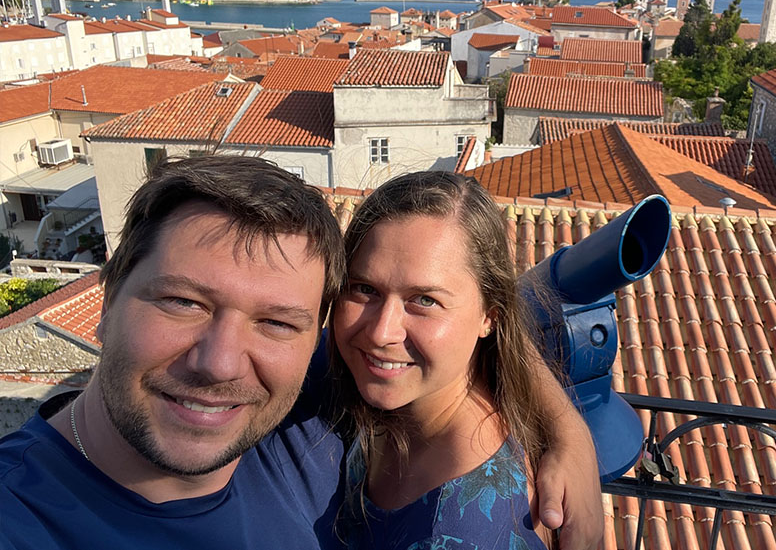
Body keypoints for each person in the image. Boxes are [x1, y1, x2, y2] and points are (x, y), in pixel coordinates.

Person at [0, 156, 602, 550]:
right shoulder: (331, 393)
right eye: (184, 302)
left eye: (275, 322)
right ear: (109, 298)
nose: (220, 363)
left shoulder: (307, 408)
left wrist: (567, 433)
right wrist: (568, 429)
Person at [330, 171, 566, 549]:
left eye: (425, 300)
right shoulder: (397, 405)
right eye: (364, 289)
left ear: (489, 317)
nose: (380, 333)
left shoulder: (463, 532)